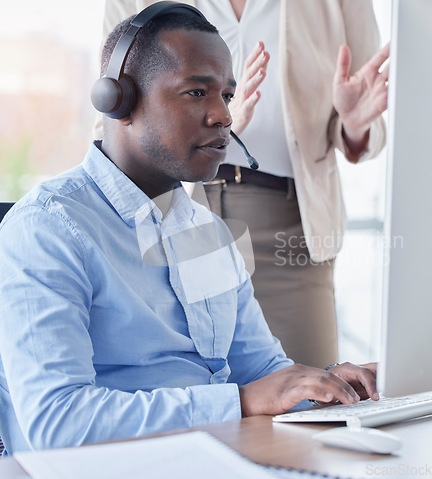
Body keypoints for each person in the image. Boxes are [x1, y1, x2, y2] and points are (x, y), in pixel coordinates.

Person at [0, 6, 378, 455]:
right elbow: (57, 423)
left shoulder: (208, 233)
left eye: (228, 96)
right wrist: (238, 402)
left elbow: (263, 372)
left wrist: (325, 385)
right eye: (196, 92)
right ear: (118, 101)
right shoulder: (48, 229)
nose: (224, 116)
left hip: (213, 457)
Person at [97, 0, 388, 368]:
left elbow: (369, 114)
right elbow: (112, 113)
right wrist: (220, 126)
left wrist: (356, 124)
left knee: (312, 396)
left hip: (289, 220)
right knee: (192, 384)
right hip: (176, 210)